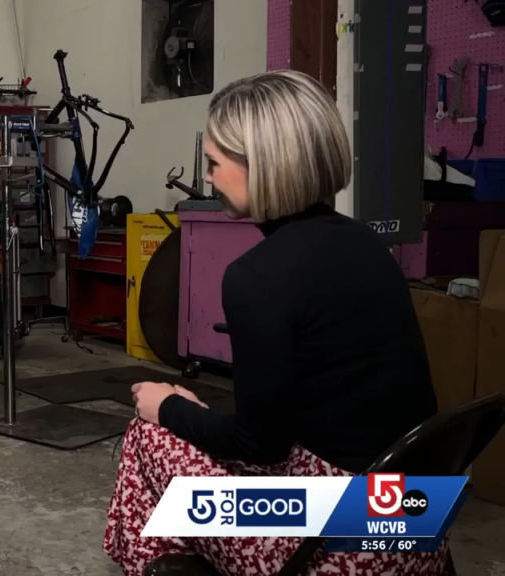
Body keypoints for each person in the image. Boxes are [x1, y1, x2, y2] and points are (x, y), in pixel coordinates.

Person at [104, 70, 444, 576]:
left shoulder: (258, 275)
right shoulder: (367, 244)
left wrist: (169, 407)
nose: (209, 178)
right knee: (186, 423)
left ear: (261, 165)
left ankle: (168, 564)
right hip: (415, 518)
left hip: (340, 542)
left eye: (214, 164)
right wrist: (191, 413)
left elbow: (259, 447)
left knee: (147, 434)